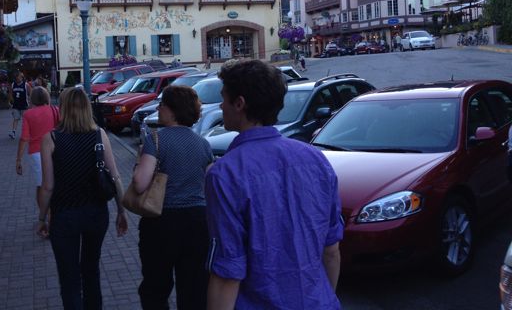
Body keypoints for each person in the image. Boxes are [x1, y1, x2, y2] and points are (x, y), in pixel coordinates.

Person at [205, 60, 343, 309]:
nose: (220, 106)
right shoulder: (316, 159)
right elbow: (331, 251)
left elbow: (228, 273)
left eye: (223, 98)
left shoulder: (225, 174)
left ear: (239, 104)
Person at [37, 87, 128, 309]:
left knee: (69, 278)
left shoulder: (50, 138)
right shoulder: (99, 135)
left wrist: (42, 217)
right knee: (91, 269)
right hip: (96, 214)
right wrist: (121, 211)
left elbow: (48, 186)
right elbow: (115, 176)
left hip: (64, 215)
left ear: (63, 109)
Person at [131, 85, 214, 309]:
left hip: (161, 222)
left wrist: (139, 164)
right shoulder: (203, 144)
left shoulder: (156, 140)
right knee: (194, 289)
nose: (158, 108)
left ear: (172, 110)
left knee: (155, 287)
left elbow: (140, 184)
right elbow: (210, 185)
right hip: (198, 223)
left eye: (162, 104)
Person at [16, 86, 60, 227]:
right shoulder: (55, 110)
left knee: (41, 185)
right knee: (53, 184)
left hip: (36, 153)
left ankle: (44, 216)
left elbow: (24, 138)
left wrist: (18, 159)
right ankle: (53, 215)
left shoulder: (28, 114)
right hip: (54, 150)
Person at [9, 72, 30, 139]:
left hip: (24, 105)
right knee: (15, 119)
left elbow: (30, 93)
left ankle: (27, 133)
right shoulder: (13, 84)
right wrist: (11, 100)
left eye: (19, 77)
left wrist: (30, 103)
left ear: (22, 78)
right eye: (16, 77)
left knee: (25, 120)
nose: (17, 78)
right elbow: (10, 93)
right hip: (16, 105)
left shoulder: (26, 85)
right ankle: (13, 133)